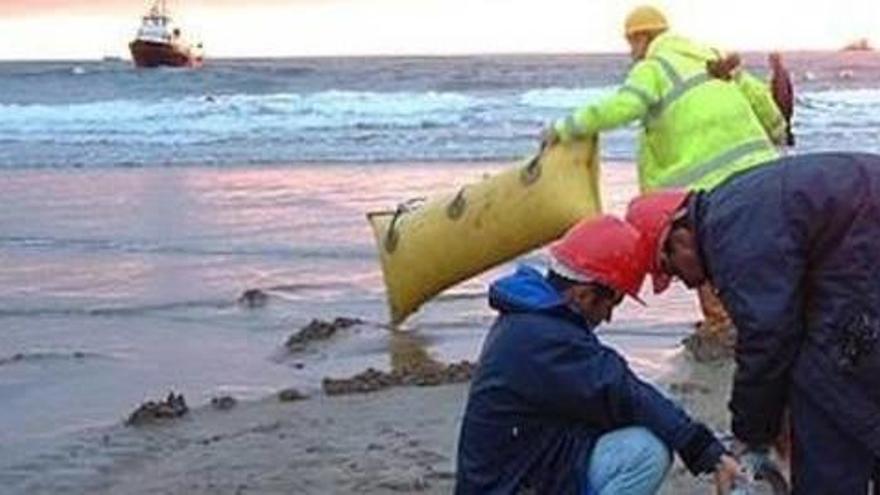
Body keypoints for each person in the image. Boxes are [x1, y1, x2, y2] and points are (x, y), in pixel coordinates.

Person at [625, 152, 880, 494]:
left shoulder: (734, 240)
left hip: (864, 252)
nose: (683, 283)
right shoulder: (732, 208)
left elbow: (768, 340)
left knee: (824, 387)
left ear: (679, 236)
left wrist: (751, 435)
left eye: (670, 270)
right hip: (859, 245)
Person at [543, 5, 791, 348]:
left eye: (632, 44)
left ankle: (724, 330)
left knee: (698, 252)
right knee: (762, 253)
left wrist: (565, 128)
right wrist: (778, 134)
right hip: (763, 175)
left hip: (709, 188)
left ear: (642, 37)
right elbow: (764, 104)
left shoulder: (654, 67)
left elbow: (623, 107)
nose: (631, 53)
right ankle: (770, 320)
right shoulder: (714, 57)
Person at [455, 215, 739, 494]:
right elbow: (619, 388)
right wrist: (705, 451)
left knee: (650, 413)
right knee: (645, 453)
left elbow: (615, 394)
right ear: (583, 294)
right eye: (613, 301)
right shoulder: (547, 339)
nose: (609, 317)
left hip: (526, 464)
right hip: (509, 484)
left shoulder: (532, 319)